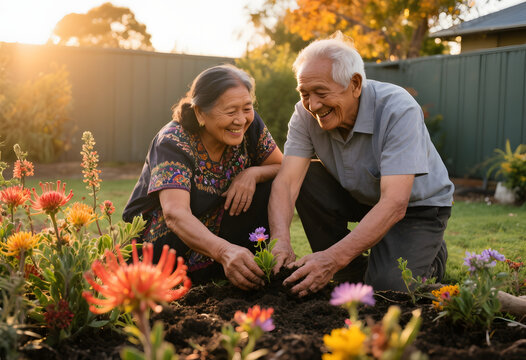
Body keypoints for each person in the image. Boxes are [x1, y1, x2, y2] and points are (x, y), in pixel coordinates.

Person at [269, 33, 454, 297]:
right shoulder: (304, 113)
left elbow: (395, 203)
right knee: (307, 177)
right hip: (363, 196)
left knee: (387, 290)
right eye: (304, 93)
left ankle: (429, 256)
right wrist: (281, 243)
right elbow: (286, 183)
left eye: (321, 93)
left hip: (417, 207)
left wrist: (331, 258)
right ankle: (350, 268)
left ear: (355, 84)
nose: (313, 104)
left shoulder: (397, 108)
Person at [123, 64, 282, 290]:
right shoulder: (173, 141)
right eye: (230, 111)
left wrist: (252, 173)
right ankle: (175, 278)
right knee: (173, 222)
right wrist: (225, 251)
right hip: (161, 245)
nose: (240, 120)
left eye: (247, 108)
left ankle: (248, 266)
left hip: (218, 230)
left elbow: (280, 167)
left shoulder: (250, 124)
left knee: (277, 184)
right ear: (200, 112)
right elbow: (175, 215)